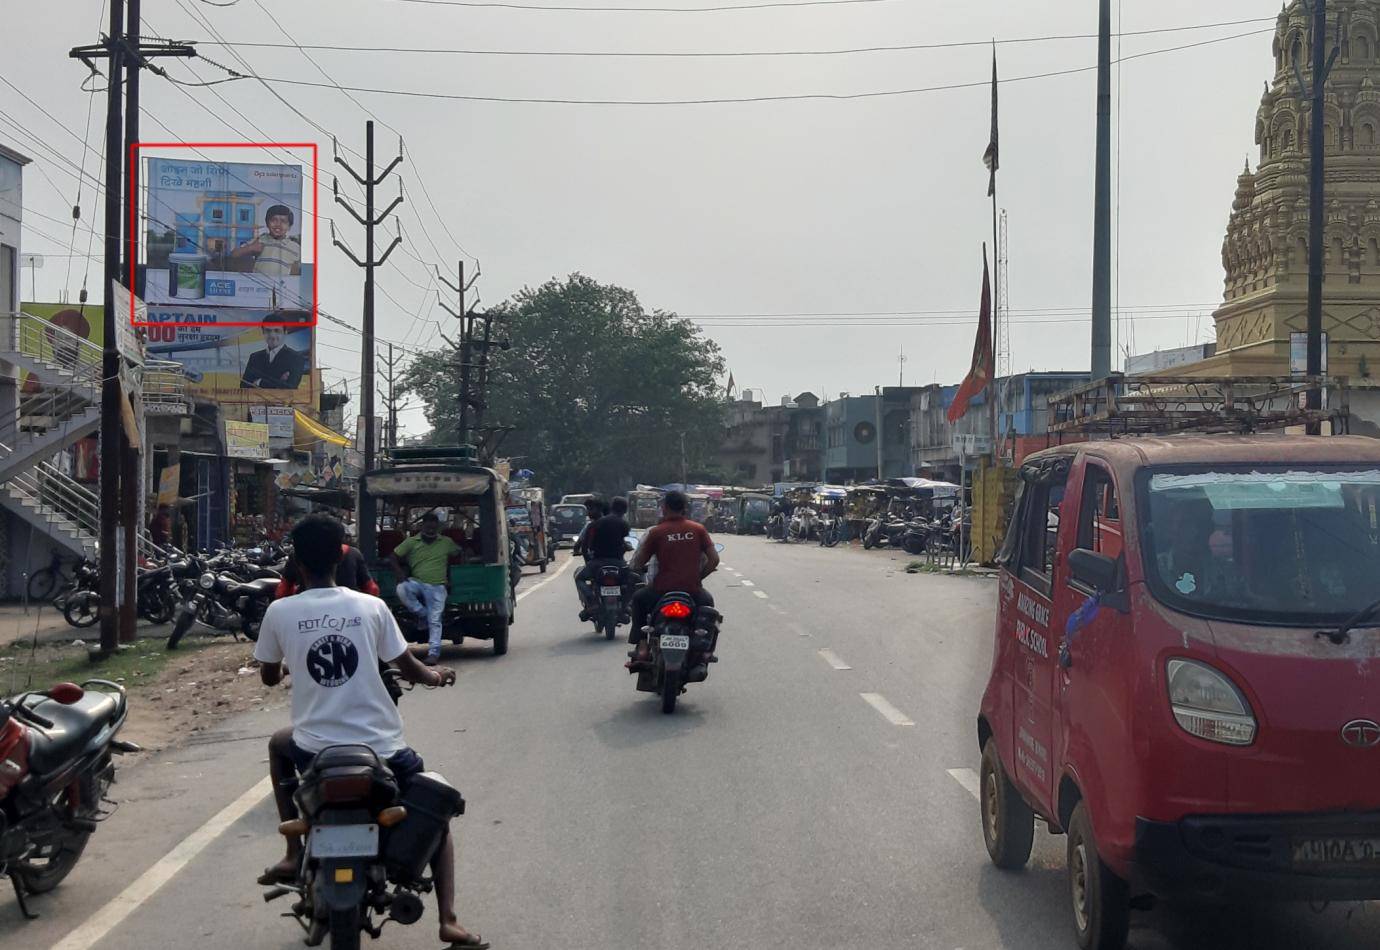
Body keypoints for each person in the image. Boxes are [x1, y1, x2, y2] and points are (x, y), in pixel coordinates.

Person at [252, 515, 487, 949]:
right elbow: (409, 667)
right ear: (341, 558)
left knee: (277, 744)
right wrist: (436, 676)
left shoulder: (280, 611)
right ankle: (449, 920)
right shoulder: (371, 607)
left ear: (297, 563)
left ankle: (291, 853)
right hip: (382, 751)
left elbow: (268, 677)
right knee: (436, 815)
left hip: (313, 751)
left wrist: (290, 664)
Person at [626, 490, 719, 668]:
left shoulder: (657, 532)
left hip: (661, 591)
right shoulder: (698, 529)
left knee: (638, 599)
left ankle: (643, 646)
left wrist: (636, 569)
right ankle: (706, 651)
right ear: (685, 508)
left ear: (664, 508)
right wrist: (698, 578)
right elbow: (714, 560)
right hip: (692, 591)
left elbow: (639, 562)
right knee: (708, 606)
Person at [390, 512, 462, 665]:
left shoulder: (446, 542)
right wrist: (400, 573)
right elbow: (393, 557)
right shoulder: (411, 542)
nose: (430, 530)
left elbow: (459, 552)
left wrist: (466, 555)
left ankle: (433, 654)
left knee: (435, 619)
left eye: (433, 527)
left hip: (438, 586)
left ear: (438, 527)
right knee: (402, 589)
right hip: (417, 583)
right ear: (422, 526)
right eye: (428, 526)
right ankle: (422, 615)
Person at [574, 496, 632, 620]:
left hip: (597, 563)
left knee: (579, 578)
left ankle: (592, 601)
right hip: (618, 563)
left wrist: (589, 562)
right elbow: (623, 541)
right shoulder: (623, 524)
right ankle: (626, 605)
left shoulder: (594, 525)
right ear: (625, 511)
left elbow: (585, 547)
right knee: (633, 580)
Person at [230, 203, 302, 277]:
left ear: (289, 226)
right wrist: (250, 248)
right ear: (267, 223)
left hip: (280, 286)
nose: (278, 224)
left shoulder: (295, 248)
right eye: (274, 220)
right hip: (259, 285)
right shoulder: (260, 240)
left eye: (283, 221)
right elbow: (234, 254)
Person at [240, 314, 307, 389]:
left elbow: (290, 387)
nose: (272, 335)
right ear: (263, 333)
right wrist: (279, 380)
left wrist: (259, 382)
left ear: (285, 333)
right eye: (268, 331)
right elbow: (244, 386)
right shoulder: (254, 357)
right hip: (256, 401)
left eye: (277, 331)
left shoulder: (296, 358)